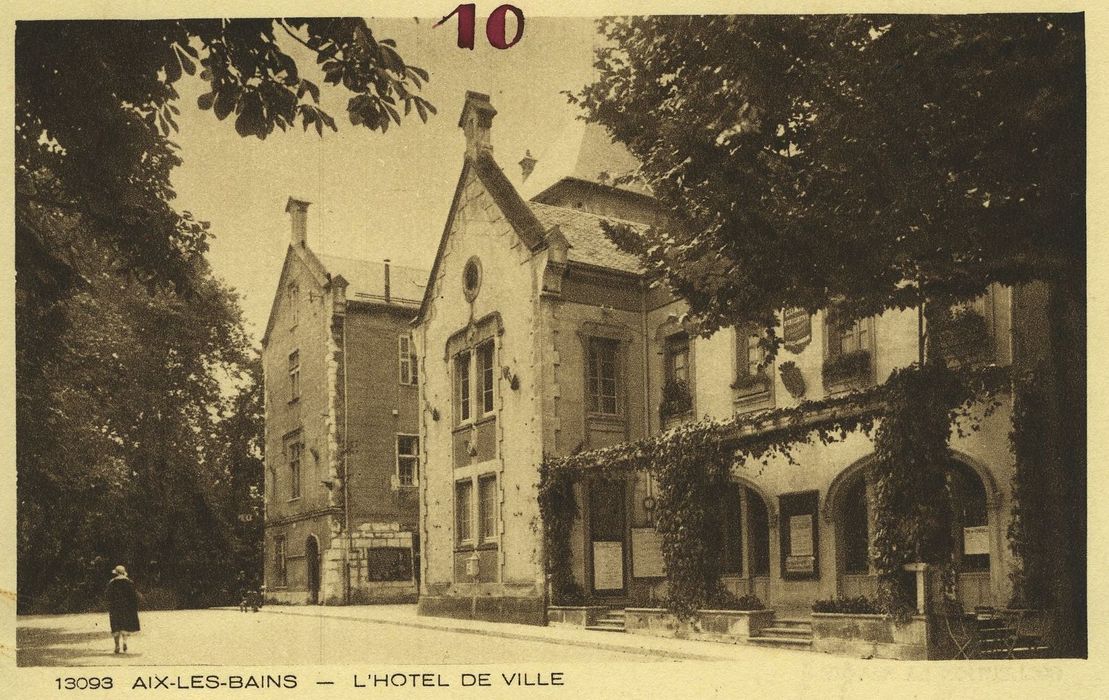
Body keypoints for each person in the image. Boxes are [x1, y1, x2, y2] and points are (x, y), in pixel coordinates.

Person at [105, 565, 140, 654]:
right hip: (126, 607)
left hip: (115, 607)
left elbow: (108, 595)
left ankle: (117, 645)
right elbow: (133, 596)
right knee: (125, 625)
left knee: (116, 625)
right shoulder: (129, 582)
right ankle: (124, 642)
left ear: (116, 573)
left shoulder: (112, 582)